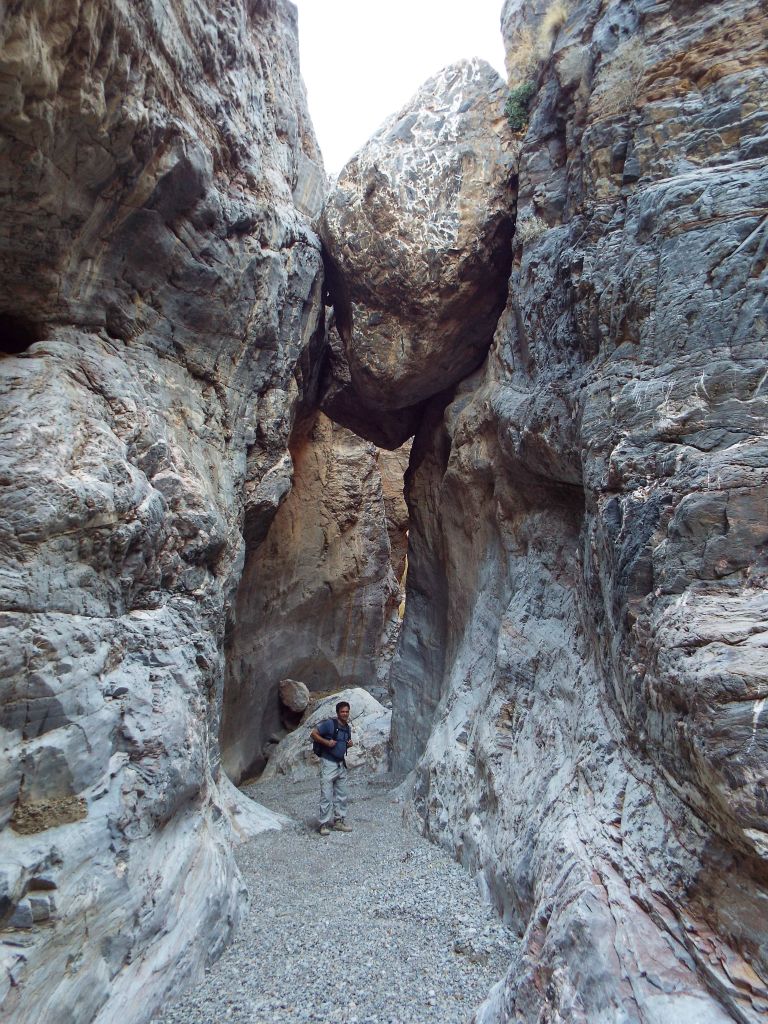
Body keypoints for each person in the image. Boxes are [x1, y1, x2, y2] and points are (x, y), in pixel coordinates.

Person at [310, 701, 353, 836]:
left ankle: (339, 821)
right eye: (342, 711)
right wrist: (326, 742)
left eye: (346, 711)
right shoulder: (330, 724)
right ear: (338, 713)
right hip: (328, 764)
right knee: (327, 795)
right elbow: (314, 734)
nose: (345, 714)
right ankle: (323, 824)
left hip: (341, 765)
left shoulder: (347, 727)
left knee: (342, 795)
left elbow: (343, 744)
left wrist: (349, 745)